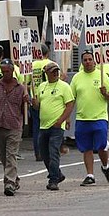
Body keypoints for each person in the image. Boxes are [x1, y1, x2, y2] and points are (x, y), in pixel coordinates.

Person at [70, 50, 109, 186]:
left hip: (99, 117)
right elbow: (71, 99)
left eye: (90, 59)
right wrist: (67, 118)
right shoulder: (77, 78)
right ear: (82, 62)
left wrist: (105, 93)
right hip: (82, 118)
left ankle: (105, 167)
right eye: (85, 60)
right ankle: (90, 175)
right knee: (86, 148)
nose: (88, 62)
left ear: (94, 61)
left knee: (102, 145)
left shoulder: (102, 76)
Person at [0, 58, 28, 196]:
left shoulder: (21, 88)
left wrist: (27, 101)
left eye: (8, 71)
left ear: (12, 71)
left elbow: (27, 108)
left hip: (14, 126)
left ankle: (9, 183)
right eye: (3, 71)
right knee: (3, 156)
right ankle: (13, 178)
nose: (5, 74)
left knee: (11, 154)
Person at [32, 62, 74, 190]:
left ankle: (53, 180)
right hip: (43, 126)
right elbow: (38, 106)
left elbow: (70, 104)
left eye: (57, 71)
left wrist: (62, 120)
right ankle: (57, 174)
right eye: (52, 71)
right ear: (46, 73)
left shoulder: (64, 86)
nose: (56, 73)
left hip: (56, 126)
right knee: (44, 153)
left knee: (53, 151)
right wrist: (34, 103)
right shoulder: (41, 87)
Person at [29, 44, 51, 162]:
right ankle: (49, 150)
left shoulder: (31, 65)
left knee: (37, 127)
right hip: (48, 99)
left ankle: (38, 152)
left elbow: (26, 83)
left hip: (35, 99)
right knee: (50, 126)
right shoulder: (51, 64)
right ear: (47, 53)